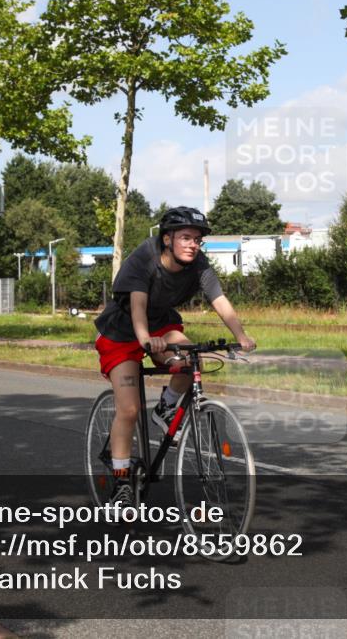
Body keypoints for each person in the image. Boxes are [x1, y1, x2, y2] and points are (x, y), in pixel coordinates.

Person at [93, 206, 256, 508]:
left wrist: (241, 336)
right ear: (167, 239)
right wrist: (144, 339)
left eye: (197, 239)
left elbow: (219, 300)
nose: (193, 244)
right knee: (129, 409)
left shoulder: (199, 264)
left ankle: (166, 407)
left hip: (161, 326)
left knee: (191, 360)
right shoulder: (145, 257)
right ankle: (121, 484)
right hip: (122, 332)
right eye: (186, 238)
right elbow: (137, 305)